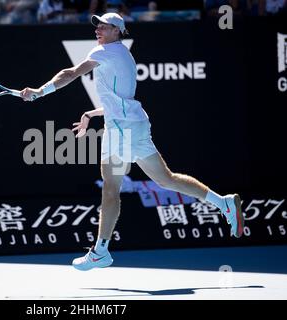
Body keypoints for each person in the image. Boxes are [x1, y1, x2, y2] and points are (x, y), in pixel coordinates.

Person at [20, 12, 245, 271]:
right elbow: (119, 101)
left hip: (121, 132)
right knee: (166, 179)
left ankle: (101, 251)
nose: (99, 29)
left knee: (111, 189)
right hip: (133, 126)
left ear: (118, 31)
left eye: (105, 26)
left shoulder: (106, 52)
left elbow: (71, 73)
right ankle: (223, 202)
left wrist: (39, 92)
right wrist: (89, 114)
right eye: (98, 26)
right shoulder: (122, 55)